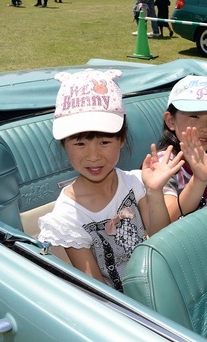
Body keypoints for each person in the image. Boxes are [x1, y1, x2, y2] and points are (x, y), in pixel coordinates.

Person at [38, 69, 184, 292]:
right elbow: (96, 287)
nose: (93, 156)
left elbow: (159, 238)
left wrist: (154, 191)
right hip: (122, 303)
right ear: (64, 145)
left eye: (105, 142)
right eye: (79, 143)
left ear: (122, 139)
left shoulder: (134, 183)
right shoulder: (68, 216)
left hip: (153, 282)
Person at [157, 75, 207, 221]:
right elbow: (164, 223)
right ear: (170, 120)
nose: (205, 127)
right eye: (194, 116)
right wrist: (199, 179)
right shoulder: (164, 165)